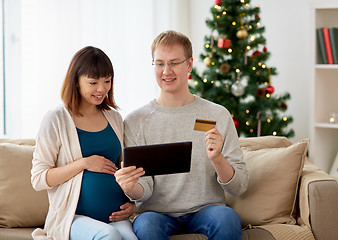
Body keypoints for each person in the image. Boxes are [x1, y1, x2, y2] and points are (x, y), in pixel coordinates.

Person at [115, 30, 249, 240]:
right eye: (159, 63)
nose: (166, 71)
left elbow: (239, 187)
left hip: (207, 210)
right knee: (147, 225)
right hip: (155, 214)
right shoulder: (135, 121)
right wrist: (131, 188)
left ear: (189, 65)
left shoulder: (217, 114)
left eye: (174, 63)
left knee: (227, 218)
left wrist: (218, 159)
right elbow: (144, 189)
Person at [31, 46, 138, 240]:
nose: (102, 89)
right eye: (93, 82)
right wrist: (84, 163)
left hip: (115, 216)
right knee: (110, 236)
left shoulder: (114, 118)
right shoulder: (56, 118)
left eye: (107, 81)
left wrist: (132, 204)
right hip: (73, 218)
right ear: (76, 82)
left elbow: (125, 168)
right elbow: (38, 178)